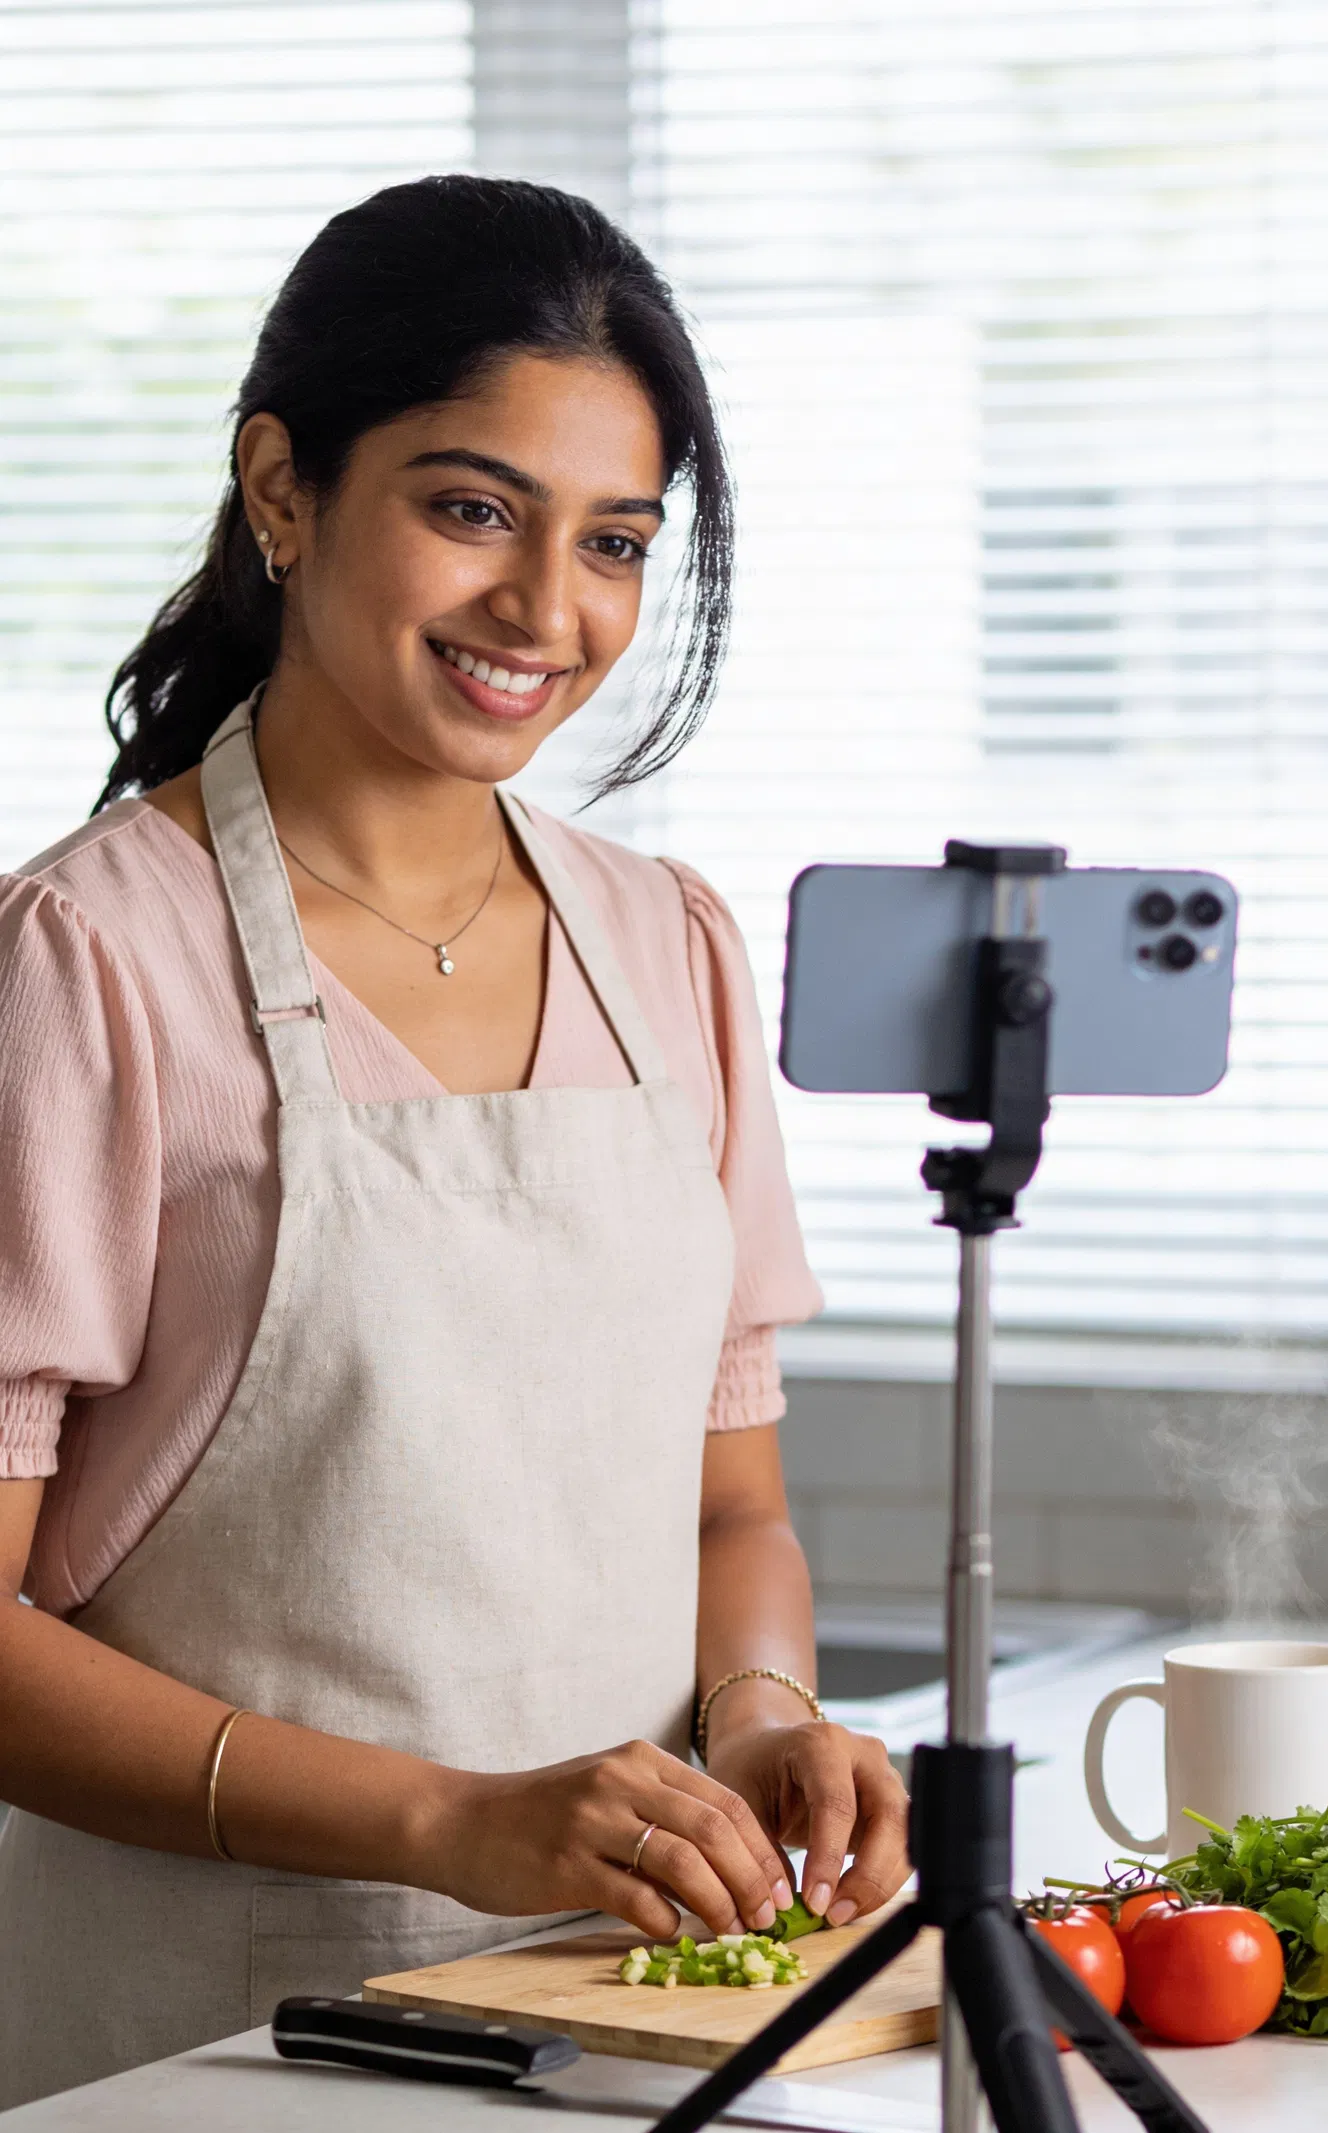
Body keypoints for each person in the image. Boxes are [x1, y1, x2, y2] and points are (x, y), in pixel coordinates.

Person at [0, 176, 908, 2108]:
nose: (548, 611)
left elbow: (727, 1512)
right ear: (283, 489)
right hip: (213, 2036)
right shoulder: (89, 960)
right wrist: (446, 1820)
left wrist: (763, 1719)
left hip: (632, 2014)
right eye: (475, 509)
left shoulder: (669, 946)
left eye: (616, 542)